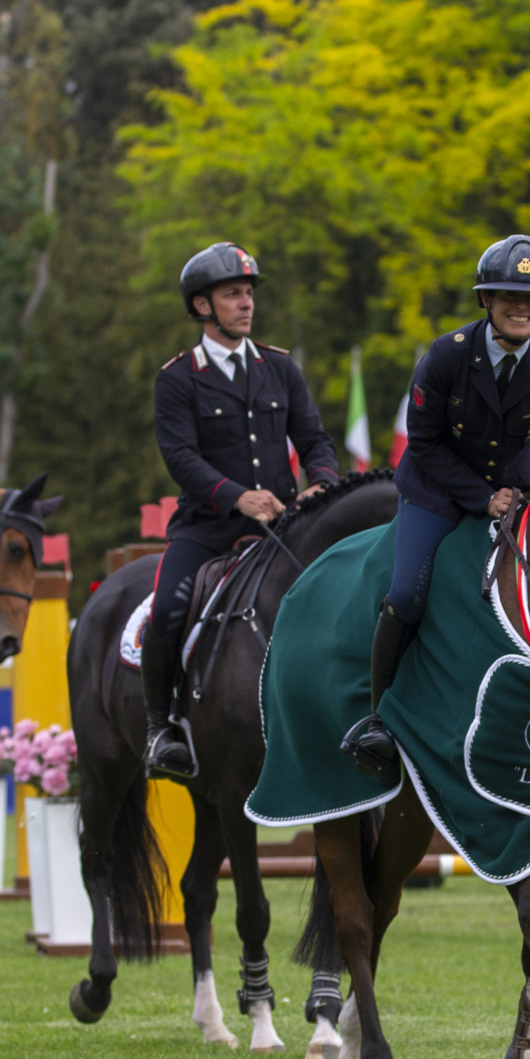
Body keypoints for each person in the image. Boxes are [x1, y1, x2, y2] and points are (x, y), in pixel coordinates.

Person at [339, 234, 530, 776]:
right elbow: (424, 441)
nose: (521, 307)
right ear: (486, 299)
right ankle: (380, 720)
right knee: (407, 593)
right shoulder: (448, 354)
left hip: (522, 481)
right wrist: (483, 498)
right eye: (508, 295)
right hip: (438, 485)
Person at [145, 242, 339, 779]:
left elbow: (316, 440)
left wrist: (321, 485)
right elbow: (181, 458)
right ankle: (160, 727)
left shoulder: (280, 367)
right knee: (165, 611)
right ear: (203, 306)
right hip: (208, 529)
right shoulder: (177, 378)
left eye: (249, 294)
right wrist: (236, 496)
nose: (246, 304)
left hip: (284, 527)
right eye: (233, 295)